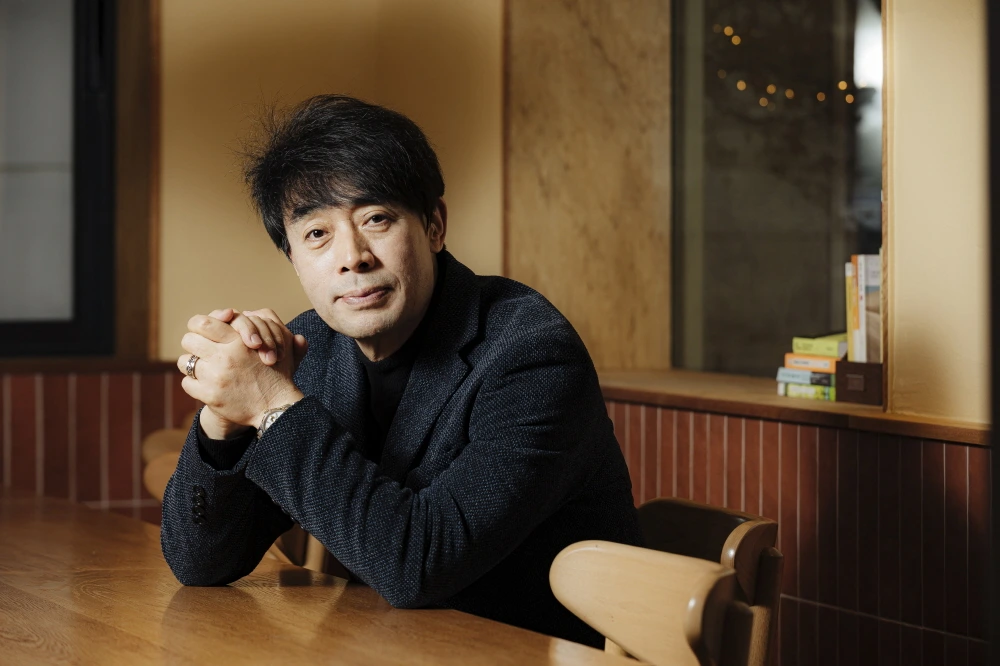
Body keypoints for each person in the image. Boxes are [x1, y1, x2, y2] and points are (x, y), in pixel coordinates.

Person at [161, 94, 642, 647]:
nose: (353, 257)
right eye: (317, 234)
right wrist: (224, 421)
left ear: (434, 226)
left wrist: (271, 405)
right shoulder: (315, 346)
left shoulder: (531, 353)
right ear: (293, 259)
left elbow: (419, 565)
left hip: (527, 653)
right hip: (385, 647)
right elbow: (200, 562)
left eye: (376, 219)